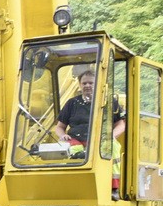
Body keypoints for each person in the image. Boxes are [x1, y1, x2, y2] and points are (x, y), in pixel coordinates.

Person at [54, 69, 126, 198]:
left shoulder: (109, 102)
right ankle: (74, 188)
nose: (87, 86)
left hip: (99, 140)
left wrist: (111, 137)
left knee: (113, 147)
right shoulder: (72, 103)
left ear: (98, 83)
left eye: (91, 83)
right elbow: (59, 127)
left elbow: (120, 124)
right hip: (75, 139)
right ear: (80, 85)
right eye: (84, 83)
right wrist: (62, 135)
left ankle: (114, 188)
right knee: (67, 149)